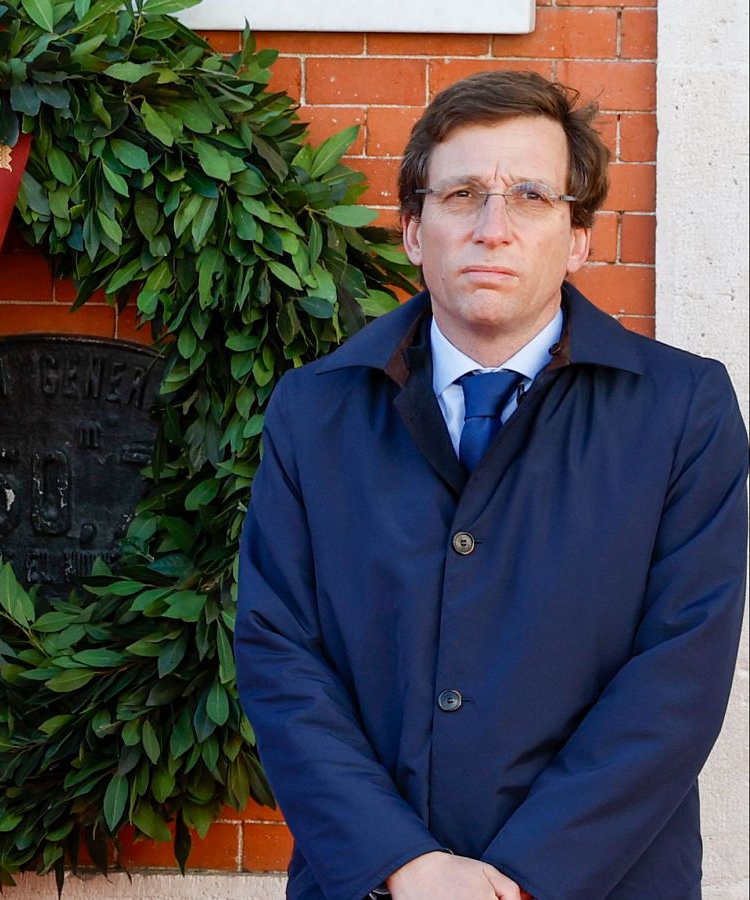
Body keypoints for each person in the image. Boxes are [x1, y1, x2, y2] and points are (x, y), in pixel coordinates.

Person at [235, 70, 747, 900]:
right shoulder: (313, 412)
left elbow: (676, 681)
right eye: (463, 193)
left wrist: (522, 880)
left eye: (533, 196)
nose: (493, 228)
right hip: (372, 884)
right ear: (412, 228)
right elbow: (280, 656)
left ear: (579, 237)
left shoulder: (683, 411)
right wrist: (404, 864)